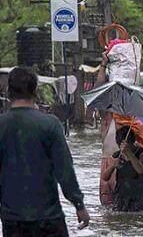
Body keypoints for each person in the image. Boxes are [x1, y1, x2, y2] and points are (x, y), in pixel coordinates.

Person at [0, 68, 90, 236]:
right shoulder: (50, 124)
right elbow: (65, 170)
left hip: (12, 220)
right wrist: (79, 205)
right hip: (48, 218)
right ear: (35, 91)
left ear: (8, 91)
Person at [96, 53, 143, 206]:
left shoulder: (136, 125)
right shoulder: (109, 117)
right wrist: (103, 65)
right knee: (110, 215)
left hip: (129, 175)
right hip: (109, 166)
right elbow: (99, 92)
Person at [102, 126, 143, 212]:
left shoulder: (142, 153)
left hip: (137, 197)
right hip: (120, 196)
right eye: (120, 145)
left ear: (133, 142)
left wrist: (129, 153)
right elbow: (105, 178)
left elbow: (140, 170)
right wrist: (112, 166)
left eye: (127, 145)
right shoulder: (117, 155)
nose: (123, 148)